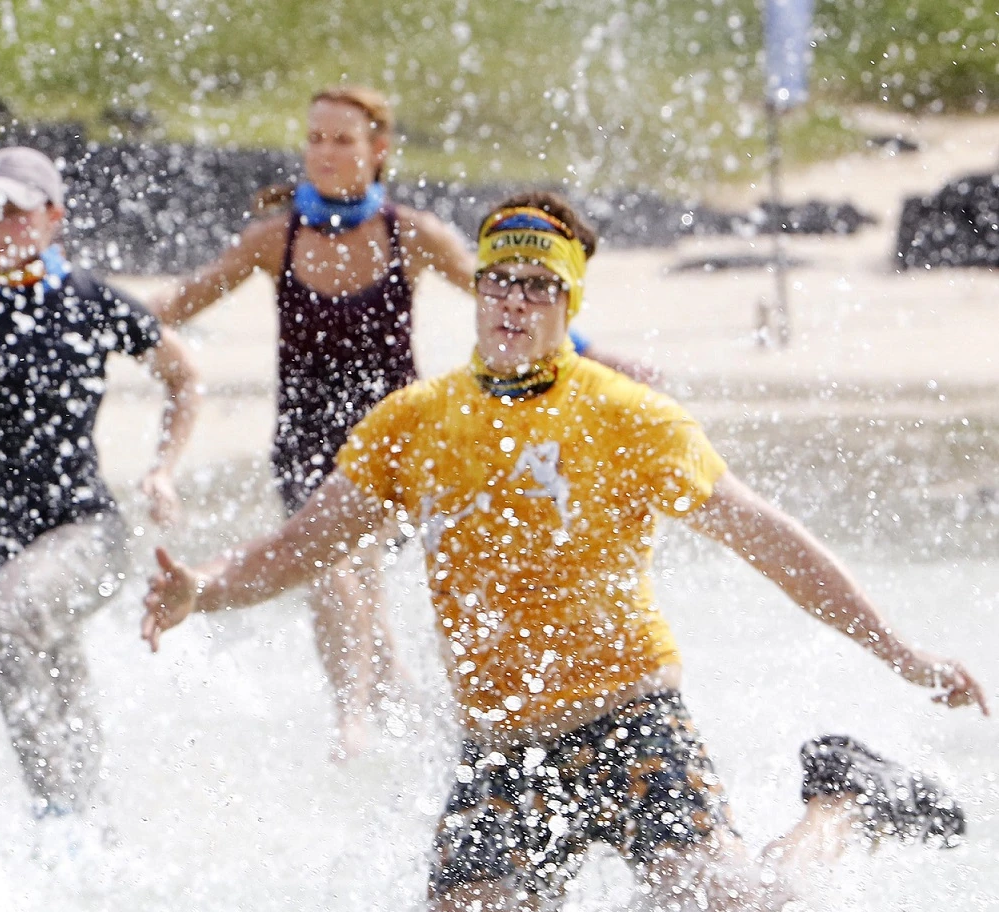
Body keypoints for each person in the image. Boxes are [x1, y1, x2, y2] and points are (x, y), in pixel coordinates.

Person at [142, 193, 983, 912]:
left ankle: (842, 797)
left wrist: (900, 653)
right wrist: (200, 589)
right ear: (475, 289)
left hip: (630, 723)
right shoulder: (413, 424)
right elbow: (299, 545)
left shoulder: (628, 417)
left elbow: (769, 541)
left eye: (537, 286)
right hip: (500, 752)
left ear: (568, 301)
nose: (513, 301)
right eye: (498, 280)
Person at [157, 87, 650, 757]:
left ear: (377, 150)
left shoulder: (411, 234)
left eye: (342, 140)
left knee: (348, 563)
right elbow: (181, 301)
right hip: (305, 442)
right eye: (315, 139)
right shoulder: (274, 240)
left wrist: (590, 355)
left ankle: (367, 716)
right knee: (339, 571)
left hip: (400, 439)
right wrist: (98, 314)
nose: (324, 153)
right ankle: (379, 715)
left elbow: (508, 295)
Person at [0, 146, 199, 820]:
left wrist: (163, 468)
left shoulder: (88, 299)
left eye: (16, 211)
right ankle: (90, 830)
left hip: (89, 534)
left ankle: (55, 819)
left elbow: (184, 376)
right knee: (59, 692)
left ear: (53, 216)